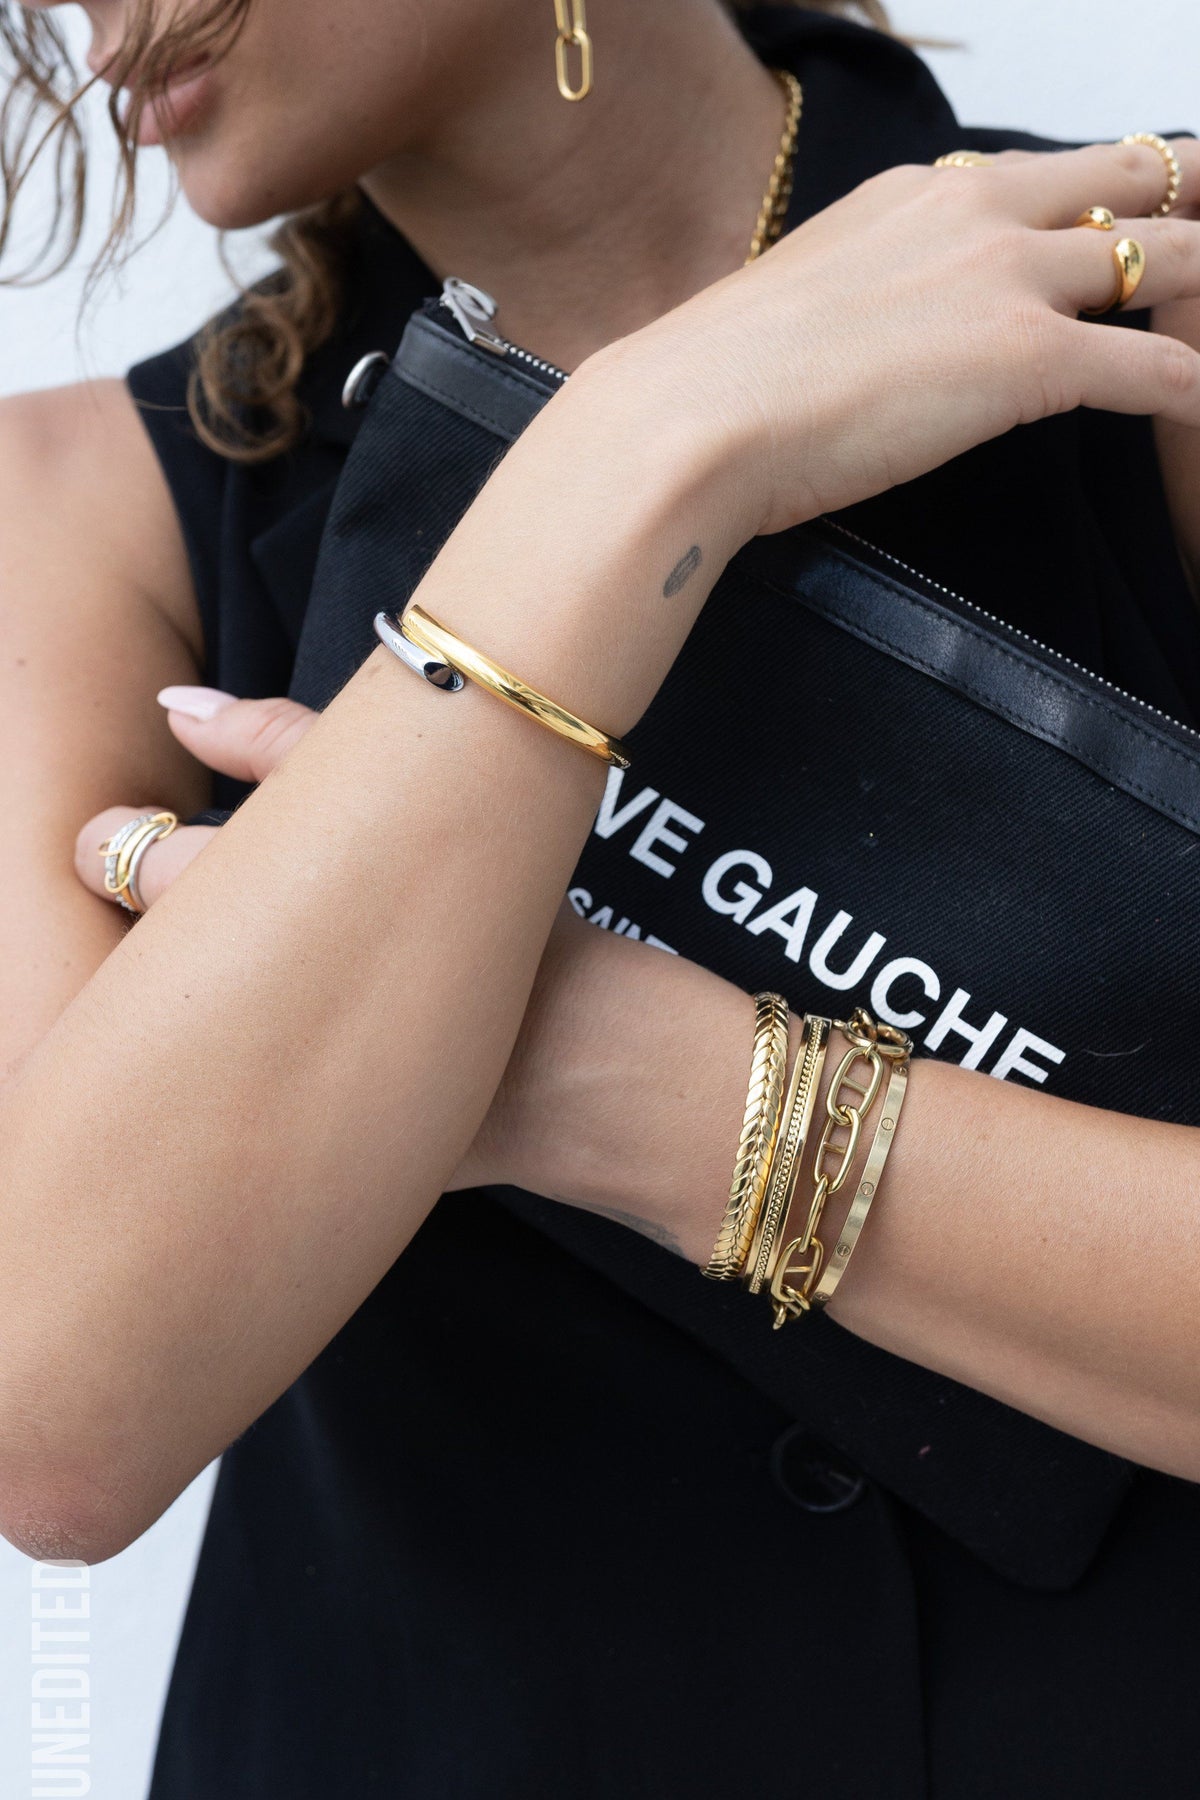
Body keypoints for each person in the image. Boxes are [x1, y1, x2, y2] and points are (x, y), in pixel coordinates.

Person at [2, 0, 1200, 1793]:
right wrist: (643, 443)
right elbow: (52, 1410)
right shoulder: (74, 509)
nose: (99, 23)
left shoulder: (1141, 290)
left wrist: (600, 1075)